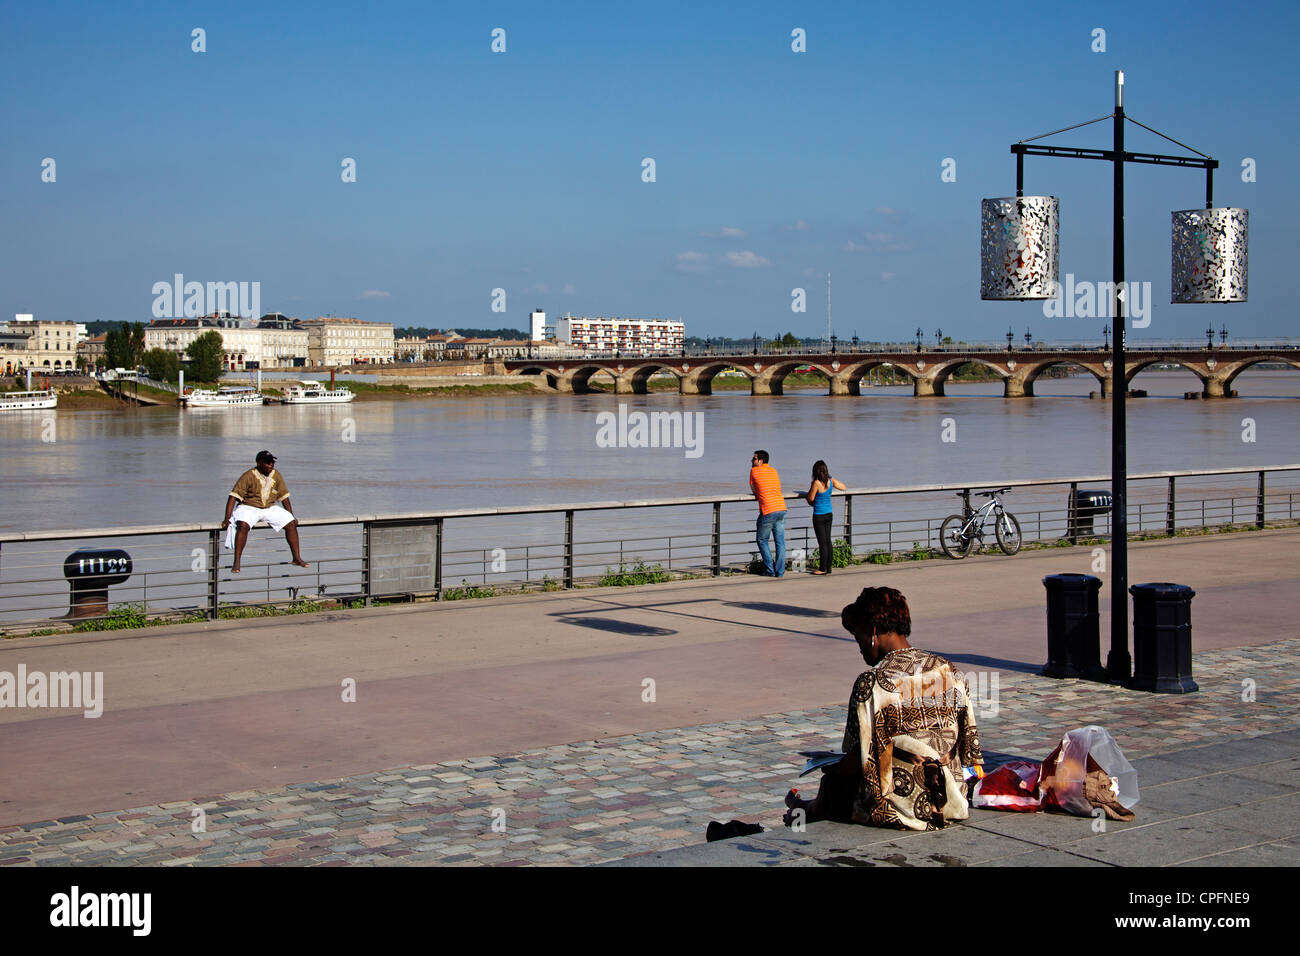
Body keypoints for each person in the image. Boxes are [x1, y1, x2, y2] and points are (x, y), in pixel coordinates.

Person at [783, 587, 983, 830]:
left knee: (834, 784)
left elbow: (860, 759)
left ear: (873, 631)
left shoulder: (873, 681)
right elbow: (969, 747)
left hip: (901, 806)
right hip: (949, 797)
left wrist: (829, 766)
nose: (860, 647)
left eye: (859, 638)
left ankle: (802, 813)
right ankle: (804, 810)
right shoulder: (946, 669)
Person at [221, 450, 309, 573]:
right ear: (259, 463)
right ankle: (236, 562)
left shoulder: (276, 474)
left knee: (291, 523)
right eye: (267, 463)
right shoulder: (248, 475)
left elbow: (284, 497)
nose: (271, 465)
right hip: (249, 506)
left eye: (272, 463)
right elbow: (233, 497)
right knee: (243, 525)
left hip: (268, 507)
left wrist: (291, 515)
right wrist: (226, 518)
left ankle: (296, 558)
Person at [805, 460, 847, 574]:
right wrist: (832, 479)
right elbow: (843, 487)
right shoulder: (830, 481)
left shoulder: (816, 483)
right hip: (829, 514)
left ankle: (822, 569)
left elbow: (810, 498)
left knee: (822, 543)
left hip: (819, 515)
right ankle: (828, 568)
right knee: (828, 541)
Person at [749, 450, 786, 577]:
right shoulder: (774, 470)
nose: (751, 461)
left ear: (760, 461)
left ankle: (770, 570)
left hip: (768, 510)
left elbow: (754, 490)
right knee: (780, 542)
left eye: (753, 459)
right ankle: (780, 571)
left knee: (762, 540)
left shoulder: (754, 471)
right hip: (781, 508)